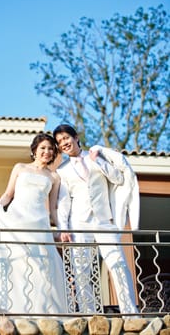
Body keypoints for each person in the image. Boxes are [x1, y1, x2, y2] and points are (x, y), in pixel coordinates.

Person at [0, 133, 67, 314]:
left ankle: (39, 310)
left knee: (38, 267)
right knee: (15, 262)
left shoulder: (54, 177)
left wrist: (61, 229)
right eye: (43, 148)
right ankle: (9, 307)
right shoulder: (20, 168)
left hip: (38, 224)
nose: (47, 152)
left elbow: (54, 208)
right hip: (17, 217)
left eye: (50, 149)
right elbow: (8, 194)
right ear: (34, 150)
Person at [53, 124, 139, 315]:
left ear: (76, 137)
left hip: (103, 220)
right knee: (81, 271)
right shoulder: (63, 170)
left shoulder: (96, 156)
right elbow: (64, 201)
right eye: (59, 142)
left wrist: (99, 162)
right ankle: (89, 312)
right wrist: (63, 228)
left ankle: (130, 311)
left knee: (118, 264)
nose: (64, 144)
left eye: (66, 138)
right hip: (79, 223)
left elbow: (118, 178)